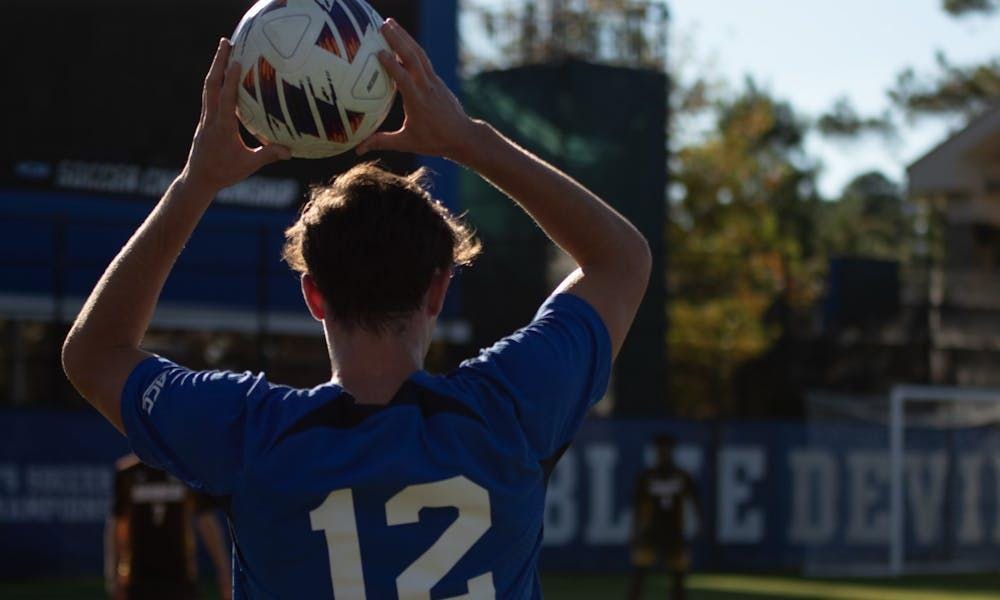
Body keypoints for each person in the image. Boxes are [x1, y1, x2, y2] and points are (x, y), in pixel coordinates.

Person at [62, 18, 650, 599]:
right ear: (437, 290)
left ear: (313, 295)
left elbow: (94, 353)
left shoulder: (250, 436)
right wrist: (468, 139)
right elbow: (621, 261)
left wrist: (196, 183)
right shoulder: (508, 412)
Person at [107, 454, 231, 600]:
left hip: (180, 575)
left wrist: (224, 571)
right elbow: (118, 527)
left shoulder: (186, 471)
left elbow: (206, 521)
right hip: (138, 576)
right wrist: (114, 576)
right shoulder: (128, 472)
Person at [627, 434, 701, 600]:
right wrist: (634, 531)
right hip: (651, 531)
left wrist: (697, 525)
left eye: (667, 449)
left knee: (678, 580)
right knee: (639, 577)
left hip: (675, 532)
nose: (664, 453)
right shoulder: (646, 477)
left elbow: (695, 503)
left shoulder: (683, 476)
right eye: (661, 449)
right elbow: (638, 507)